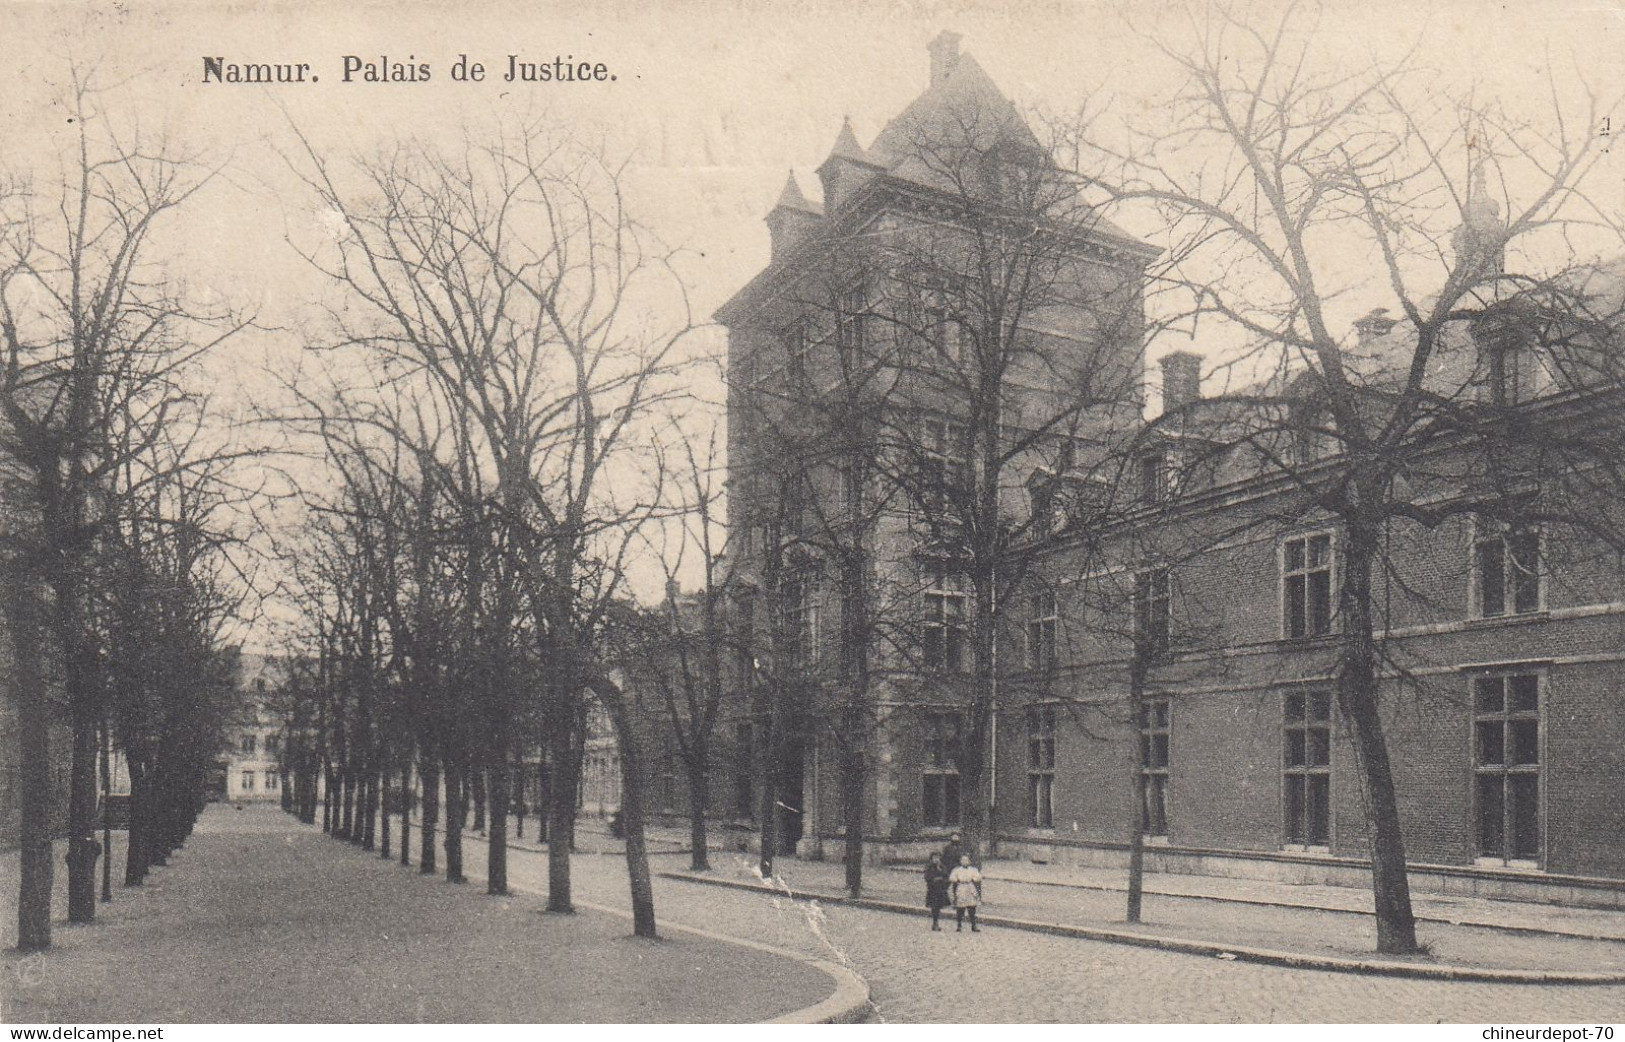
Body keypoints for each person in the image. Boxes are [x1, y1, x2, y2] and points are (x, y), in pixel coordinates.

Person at [949, 852, 983, 932]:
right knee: (960, 907)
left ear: (969, 861)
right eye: (963, 860)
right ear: (960, 861)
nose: (965, 862)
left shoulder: (973, 869)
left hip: (970, 887)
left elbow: (978, 877)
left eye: (966, 860)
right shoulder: (957, 870)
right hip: (961, 887)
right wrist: (956, 880)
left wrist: (974, 878)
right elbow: (952, 877)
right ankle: (959, 925)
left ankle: (973, 925)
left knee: (972, 907)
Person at [924, 852, 950, 931]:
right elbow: (927, 877)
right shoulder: (929, 867)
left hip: (941, 890)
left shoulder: (942, 867)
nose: (936, 859)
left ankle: (936, 922)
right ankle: (935, 923)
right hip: (933, 890)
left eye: (938, 858)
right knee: (934, 906)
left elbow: (946, 877)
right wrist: (934, 879)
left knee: (938, 906)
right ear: (931, 859)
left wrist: (943, 882)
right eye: (934, 858)